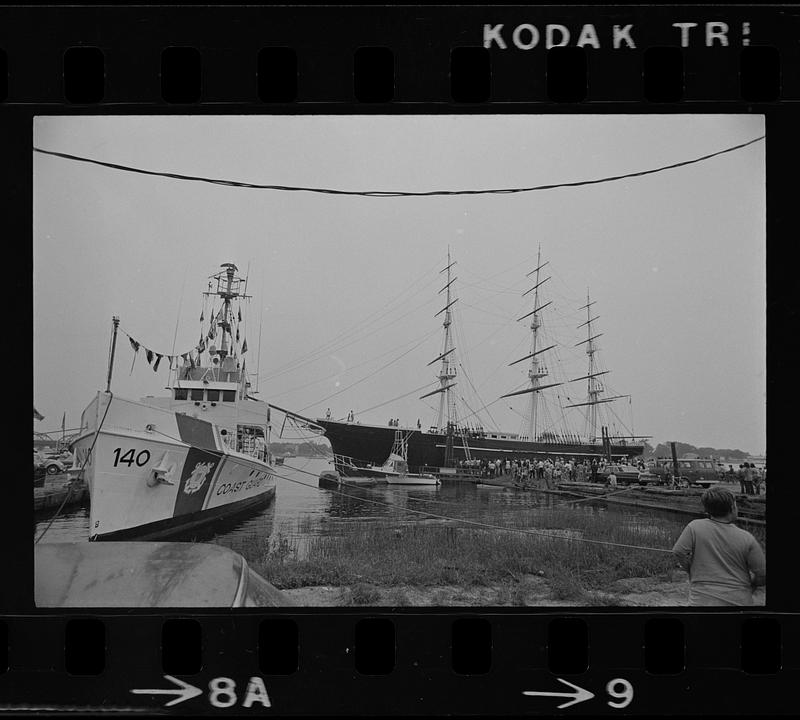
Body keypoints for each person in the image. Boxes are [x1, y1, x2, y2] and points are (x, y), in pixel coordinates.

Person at [671, 487, 766, 606]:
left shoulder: (694, 527)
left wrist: (690, 570)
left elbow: (678, 552)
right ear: (732, 508)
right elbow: (762, 574)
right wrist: (753, 584)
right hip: (738, 601)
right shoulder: (747, 538)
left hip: (701, 600)